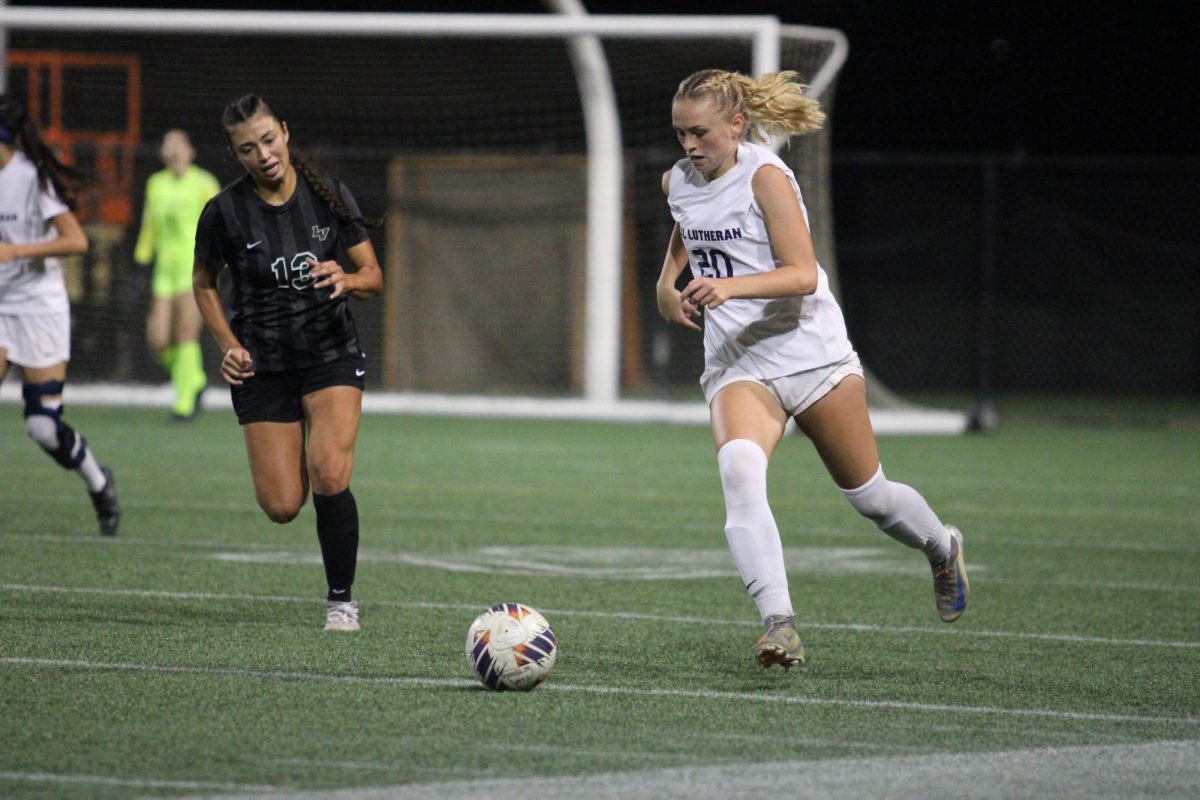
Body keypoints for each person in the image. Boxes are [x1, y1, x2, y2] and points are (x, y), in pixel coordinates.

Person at [656, 69, 968, 669]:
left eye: (701, 133)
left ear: (737, 125)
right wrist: (667, 285)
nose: (690, 146)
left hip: (811, 355)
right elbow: (686, 226)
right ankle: (779, 624)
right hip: (738, 361)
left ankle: (941, 545)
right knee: (741, 473)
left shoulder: (766, 177)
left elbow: (802, 273)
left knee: (872, 499)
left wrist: (728, 286)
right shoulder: (680, 179)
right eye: (680, 134)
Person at [193, 94, 383, 632]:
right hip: (265, 366)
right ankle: (296, 443)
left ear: (285, 132)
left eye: (268, 139)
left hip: (330, 356)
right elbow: (203, 285)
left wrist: (346, 279)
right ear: (237, 155)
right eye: (248, 148)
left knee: (328, 471)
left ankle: (341, 600)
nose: (264, 154)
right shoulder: (224, 212)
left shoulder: (327, 195)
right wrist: (228, 345)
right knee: (281, 505)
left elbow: (373, 275)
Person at [0, 94, 121, 536]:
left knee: (42, 428)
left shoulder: (33, 180)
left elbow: (76, 241)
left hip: (38, 308)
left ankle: (98, 479)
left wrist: (17, 250)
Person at [133, 129, 220, 420]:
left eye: (178, 144)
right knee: (157, 340)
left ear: (190, 151)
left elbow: (220, 224)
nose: (172, 149)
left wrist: (221, 263)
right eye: (167, 144)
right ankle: (193, 379)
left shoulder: (204, 182)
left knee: (185, 336)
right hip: (164, 271)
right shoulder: (155, 184)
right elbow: (149, 226)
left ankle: (183, 404)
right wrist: (141, 261)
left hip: (193, 269)